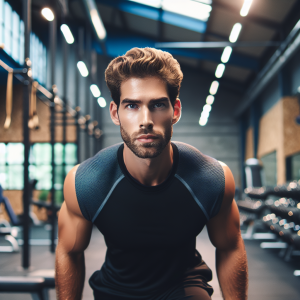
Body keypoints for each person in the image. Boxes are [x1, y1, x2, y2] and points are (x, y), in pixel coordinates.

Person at [55, 47, 248, 300]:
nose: (145, 120)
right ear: (116, 113)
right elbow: (69, 252)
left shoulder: (210, 179)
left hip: (183, 285)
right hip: (115, 290)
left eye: (157, 105)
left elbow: (230, 247)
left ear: (175, 111)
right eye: (132, 106)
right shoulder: (87, 182)